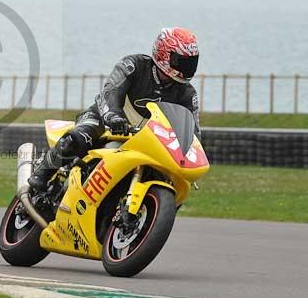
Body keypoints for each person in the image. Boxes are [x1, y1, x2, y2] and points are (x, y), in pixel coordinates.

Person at [28, 27, 202, 191]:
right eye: (183, 61)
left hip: (144, 139)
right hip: (105, 119)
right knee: (79, 137)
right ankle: (42, 174)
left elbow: (193, 132)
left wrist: (190, 154)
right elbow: (109, 92)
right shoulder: (133, 65)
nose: (187, 68)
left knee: (171, 181)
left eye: (191, 62)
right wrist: (113, 116)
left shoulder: (187, 93)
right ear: (164, 54)